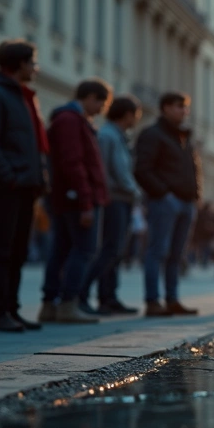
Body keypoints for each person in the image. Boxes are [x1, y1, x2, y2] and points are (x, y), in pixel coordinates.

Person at [0, 40, 47, 332]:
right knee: (2, 250)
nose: (36, 68)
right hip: (8, 186)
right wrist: (10, 176)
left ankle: (12, 309)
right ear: (19, 64)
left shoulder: (24, 97)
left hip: (26, 185)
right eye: (33, 62)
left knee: (18, 251)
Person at [38, 80, 111, 324]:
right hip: (76, 197)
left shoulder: (72, 120)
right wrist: (86, 201)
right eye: (101, 102)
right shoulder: (71, 120)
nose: (101, 108)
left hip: (68, 196)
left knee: (61, 249)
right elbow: (74, 163)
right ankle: (68, 303)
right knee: (86, 249)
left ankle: (49, 306)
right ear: (90, 97)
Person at [134, 92, 202, 317]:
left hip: (186, 202)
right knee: (157, 251)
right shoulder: (153, 134)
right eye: (178, 107)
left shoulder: (184, 137)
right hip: (166, 202)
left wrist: (195, 195)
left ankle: (172, 299)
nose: (183, 111)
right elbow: (142, 169)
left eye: (185, 107)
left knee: (177, 254)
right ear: (164, 108)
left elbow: (193, 169)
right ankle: (153, 301)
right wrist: (163, 194)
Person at [81, 95, 142, 315]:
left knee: (116, 251)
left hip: (121, 198)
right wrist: (136, 192)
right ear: (127, 114)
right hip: (114, 198)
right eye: (135, 114)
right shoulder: (109, 136)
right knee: (110, 249)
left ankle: (109, 297)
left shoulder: (118, 136)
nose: (136, 119)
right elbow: (114, 170)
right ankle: (81, 293)